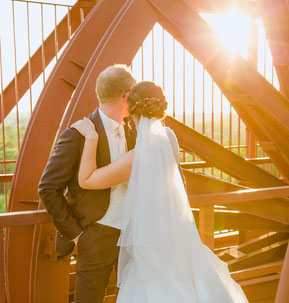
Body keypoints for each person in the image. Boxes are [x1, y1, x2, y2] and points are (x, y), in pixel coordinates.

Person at [71, 81, 249, 302]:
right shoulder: (169, 139)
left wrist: (91, 138)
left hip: (149, 242)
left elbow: (87, 180)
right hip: (176, 234)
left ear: (130, 109)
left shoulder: (138, 156)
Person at [38, 64, 137, 303]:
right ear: (126, 95)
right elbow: (48, 187)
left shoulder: (135, 131)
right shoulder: (77, 135)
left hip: (134, 235)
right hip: (95, 235)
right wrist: (76, 234)